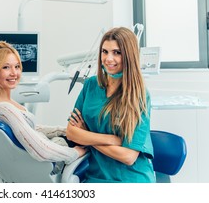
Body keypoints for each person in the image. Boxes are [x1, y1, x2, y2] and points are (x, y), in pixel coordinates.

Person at [66, 27, 156, 183]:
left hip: (131, 179)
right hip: (95, 177)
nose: (108, 59)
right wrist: (111, 139)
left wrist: (87, 135)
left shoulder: (139, 96)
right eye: (104, 51)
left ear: (129, 56)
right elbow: (72, 133)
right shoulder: (90, 85)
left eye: (116, 52)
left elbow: (128, 157)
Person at [0, 37, 86, 168]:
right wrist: (75, 152)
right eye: (6, 67)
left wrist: (63, 130)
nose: (14, 73)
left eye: (17, 66)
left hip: (53, 145)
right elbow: (41, 150)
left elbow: (28, 129)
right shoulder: (3, 110)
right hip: (54, 157)